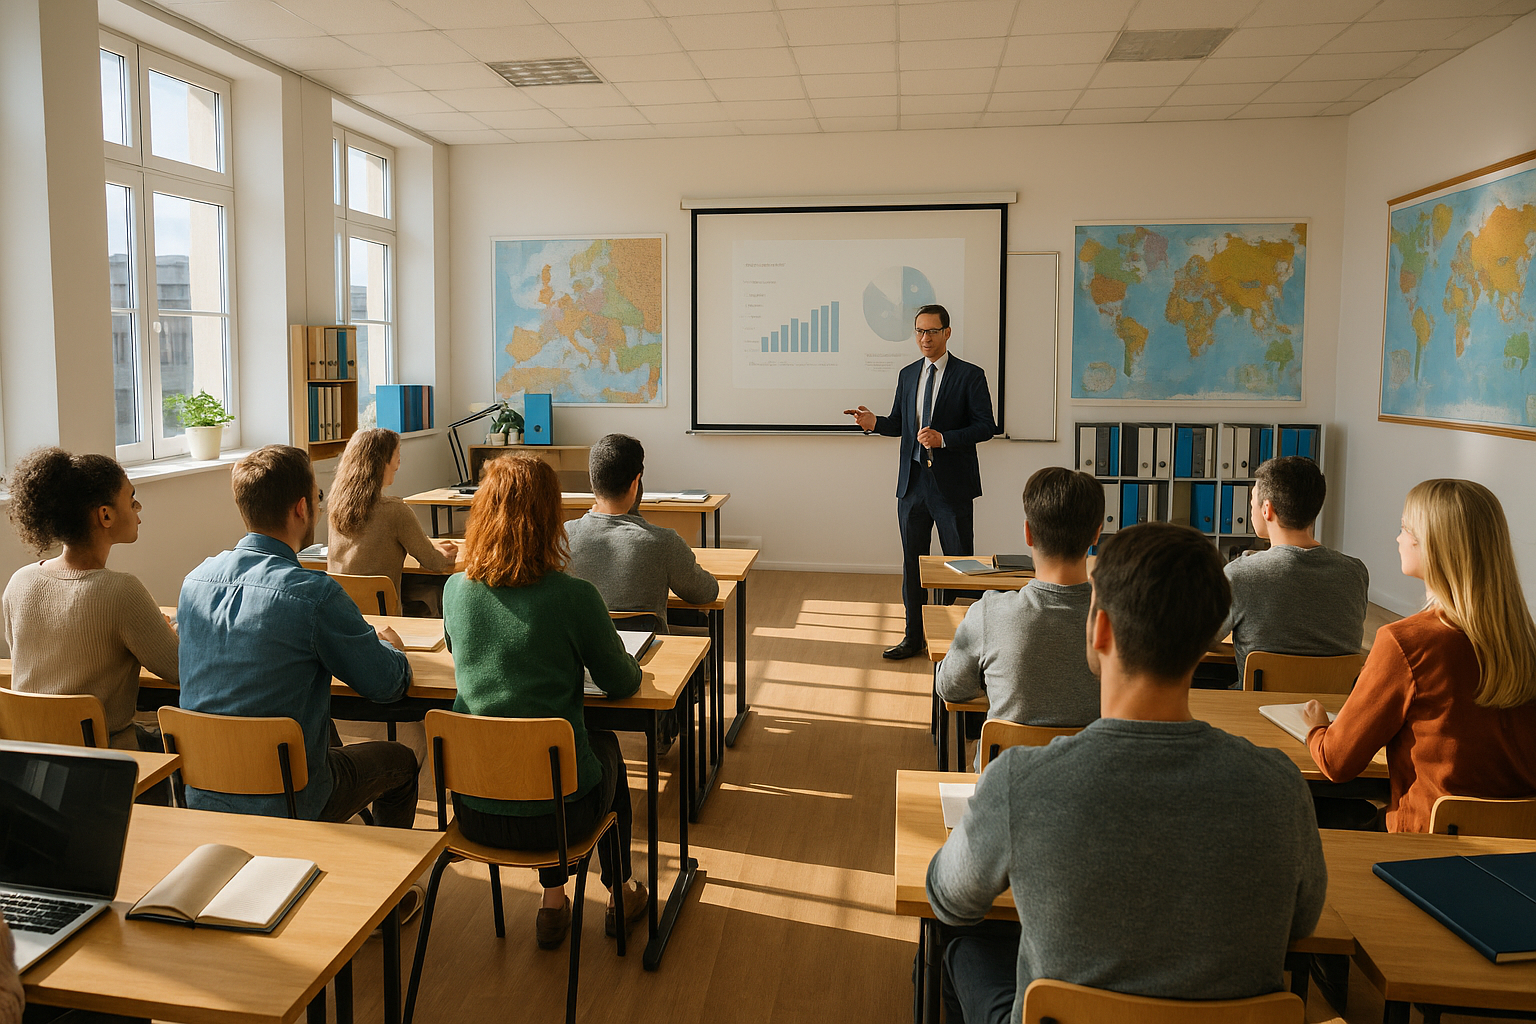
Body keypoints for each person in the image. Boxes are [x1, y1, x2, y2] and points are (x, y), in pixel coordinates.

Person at [927, 523, 1326, 1024]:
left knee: (964, 947)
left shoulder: (1022, 781)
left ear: (1100, 630)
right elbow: (1303, 922)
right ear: (1207, 640)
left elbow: (949, 899)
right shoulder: (1280, 786)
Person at [443, 456, 650, 950]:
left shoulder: (454, 589)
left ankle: (553, 903)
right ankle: (620, 894)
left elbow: (462, 652)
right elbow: (621, 683)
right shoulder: (574, 596)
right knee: (602, 750)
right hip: (560, 821)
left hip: (473, 811)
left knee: (535, 756)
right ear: (550, 517)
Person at [177, 445, 419, 825]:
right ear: (302, 508)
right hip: (289, 797)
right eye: (318, 499)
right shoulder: (313, 595)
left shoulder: (194, 582)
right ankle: (385, 878)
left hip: (203, 792)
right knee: (401, 761)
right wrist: (390, 648)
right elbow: (386, 685)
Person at [1302, 479, 1536, 832]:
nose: (1398, 539)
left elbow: (1337, 763)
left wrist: (1317, 728)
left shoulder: (1406, 642)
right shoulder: (1527, 642)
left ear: (1434, 547)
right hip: (1519, 855)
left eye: (1405, 529)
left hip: (1426, 849)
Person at [2, 449, 179, 754]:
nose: (138, 508)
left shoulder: (20, 581)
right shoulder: (121, 591)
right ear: (105, 515)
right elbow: (179, 669)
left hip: (29, 760)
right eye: (131, 498)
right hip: (102, 761)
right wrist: (169, 632)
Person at [844, 304, 995, 660]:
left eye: (931, 331)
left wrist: (945, 439)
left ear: (947, 333)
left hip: (951, 487)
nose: (924, 338)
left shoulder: (970, 375)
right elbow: (900, 423)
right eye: (919, 332)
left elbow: (987, 426)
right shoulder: (908, 374)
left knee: (958, 566)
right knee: (912, 565)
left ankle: (961, 645)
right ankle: (914, 637)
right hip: (912, 485)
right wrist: (874, 422)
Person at [935, 467, 1102, 755]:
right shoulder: (1126, 618)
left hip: (1003, 787)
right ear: (1097, 534)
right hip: (1096, 788)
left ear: (1028, 533)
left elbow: (951, 688)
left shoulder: (989, 613)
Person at [1220, 456, 1369, 678]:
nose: (1251, 509)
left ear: (1266, 509)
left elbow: (1196, 641)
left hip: (1257, 707)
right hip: (1332, 709)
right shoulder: (1355, 573)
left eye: (1252, 503)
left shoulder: (1240, 575)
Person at [566, 433, 719, 630]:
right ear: (635, 483)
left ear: (593, 481)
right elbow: (706, 592)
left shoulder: (562, 536)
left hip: (581, 656)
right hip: (646, 655)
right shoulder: (664, 542)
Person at [327, 428, 458, 615]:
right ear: (382, 462)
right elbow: (433, 563)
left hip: (342, 612)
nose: (398, 463)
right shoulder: (395, 510)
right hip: (384, 614)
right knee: (437, 590)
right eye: (397, 455)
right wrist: (446, 556)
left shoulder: (336, 507)